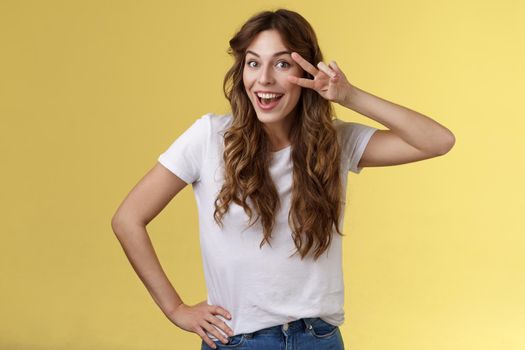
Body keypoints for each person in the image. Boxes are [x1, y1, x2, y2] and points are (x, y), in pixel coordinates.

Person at [111, 8, 455, 350]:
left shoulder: (332, 142)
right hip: (239, 341)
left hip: (319, 338)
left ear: (307, 71)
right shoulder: (209, 137)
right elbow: (128, 219)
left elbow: (437, 141)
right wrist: (175, 309)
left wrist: (349, 95)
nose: (263, 79)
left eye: (281, 63)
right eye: (253, 62)